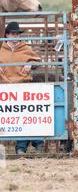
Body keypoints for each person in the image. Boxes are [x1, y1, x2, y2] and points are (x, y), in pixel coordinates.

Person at [0, 21, 44, 155]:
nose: (15, 36)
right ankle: (26, 146)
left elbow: (38, 61)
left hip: (24, 86)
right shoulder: (1, 50)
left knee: (27, 116)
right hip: (6, 87)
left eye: (17, 34)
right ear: (7, 35)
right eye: (13, 34)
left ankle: (28, 146)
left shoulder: (25, 48)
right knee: (17, 117)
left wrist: (30, 64)